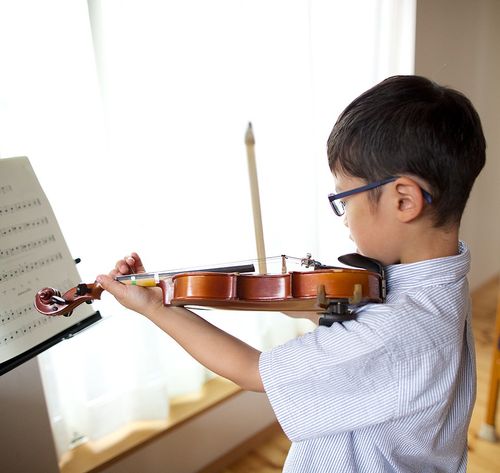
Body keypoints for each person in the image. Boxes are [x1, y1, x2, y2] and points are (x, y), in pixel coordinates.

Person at [96, 75, 486, 472]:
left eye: (343, 198)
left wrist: (155, 308)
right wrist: (295, 300)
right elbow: (357, 329)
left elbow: (251, 371)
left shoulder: (398, 330)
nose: (343, 217)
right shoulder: (441, 278)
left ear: (404, 200)